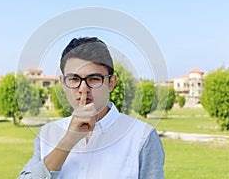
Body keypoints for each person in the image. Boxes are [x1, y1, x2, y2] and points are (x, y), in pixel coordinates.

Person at [18, 37, 165, 179]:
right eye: (74, 79)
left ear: (111, 82)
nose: (83, 88)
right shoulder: (48, 133)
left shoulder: (142, 137)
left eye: (94, 79)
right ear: (63, 83)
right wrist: (68, 141)